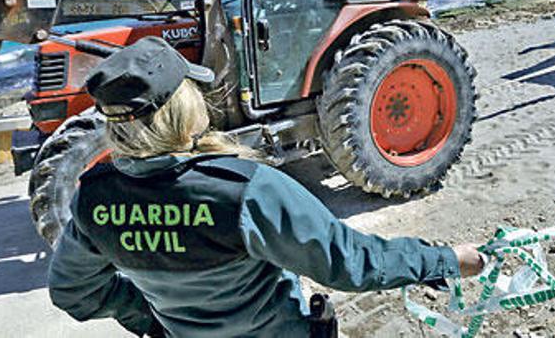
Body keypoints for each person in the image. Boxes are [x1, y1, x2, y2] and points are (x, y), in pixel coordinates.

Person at [47, 36, 485, 337]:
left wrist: (151, 317)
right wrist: (445, 259)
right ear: (180, 107)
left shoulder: (93, 199)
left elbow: (72, 292)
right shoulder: (244, 190)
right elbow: (350, 262)